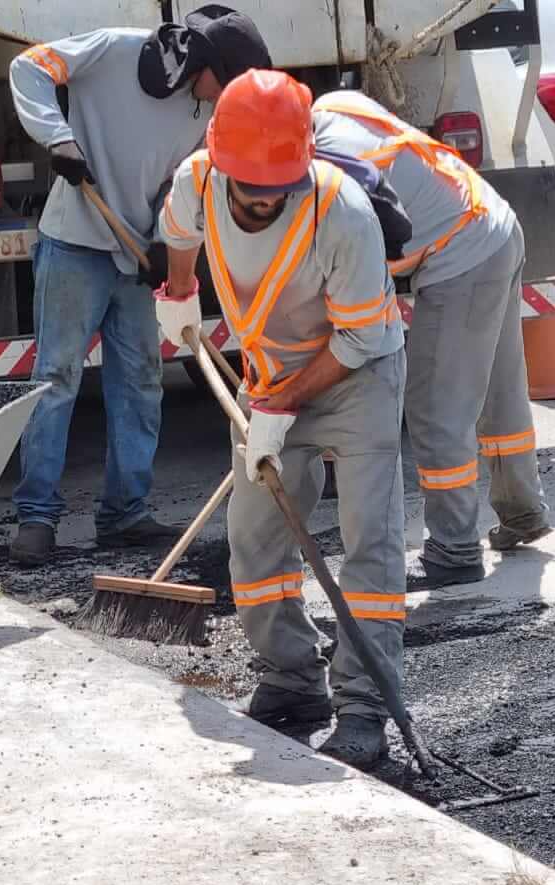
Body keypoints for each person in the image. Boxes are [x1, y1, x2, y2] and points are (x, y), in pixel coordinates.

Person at [158, 70, 407, 770]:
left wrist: (281, 407)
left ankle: (365, 709)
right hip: (272, 375)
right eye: (253, 185)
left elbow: (359, 340)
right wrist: (179, 295)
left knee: (370, 544)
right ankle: (293, 680)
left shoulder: (344, 214)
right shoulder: (198, 180)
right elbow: (179, 232)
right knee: (255, 538)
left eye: (278, 183)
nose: (265, 195)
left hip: (358, 376)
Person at [6, 5, 270, 566]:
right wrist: (58, 138)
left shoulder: (204, 109)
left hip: (130, 257)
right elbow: (29, 67)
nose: (225, 97)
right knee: (55, 379)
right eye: (226, 82)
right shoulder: (115, 50)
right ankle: (36, 517)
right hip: (72, 244)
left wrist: (160, 242)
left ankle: (124, 513)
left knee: (141, 384)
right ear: (203, 61)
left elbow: (178, 179)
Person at [311, 90, 551, 587]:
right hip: (495, 222)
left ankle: (455, 549)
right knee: (500, 395)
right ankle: (523, 510)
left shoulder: (332, 181)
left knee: (437, 407)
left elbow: (355, 287)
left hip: (461, 253)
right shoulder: (334, 106)